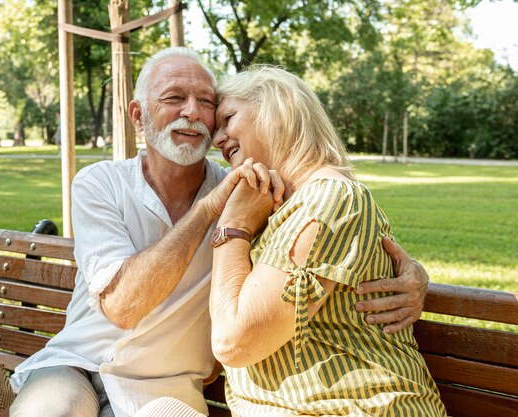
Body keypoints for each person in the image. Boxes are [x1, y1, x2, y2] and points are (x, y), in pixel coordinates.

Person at [9, 49, 430, 417]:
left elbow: (331, 225)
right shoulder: (101, 183)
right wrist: (212, 211)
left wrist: (413, 273)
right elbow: (122, 305)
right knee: (55, 410)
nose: (193, 112)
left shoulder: (252, 190)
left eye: (209, 104)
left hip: (165, 387)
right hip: (77, 365)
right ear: (138, 115)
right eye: (174, 98)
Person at [136, 66, 445, 417]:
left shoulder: (330, 198)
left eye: (228, 118)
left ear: (277, 110)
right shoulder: (277, 203)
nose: (217, 139)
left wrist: (234, 226)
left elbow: (234, 342)